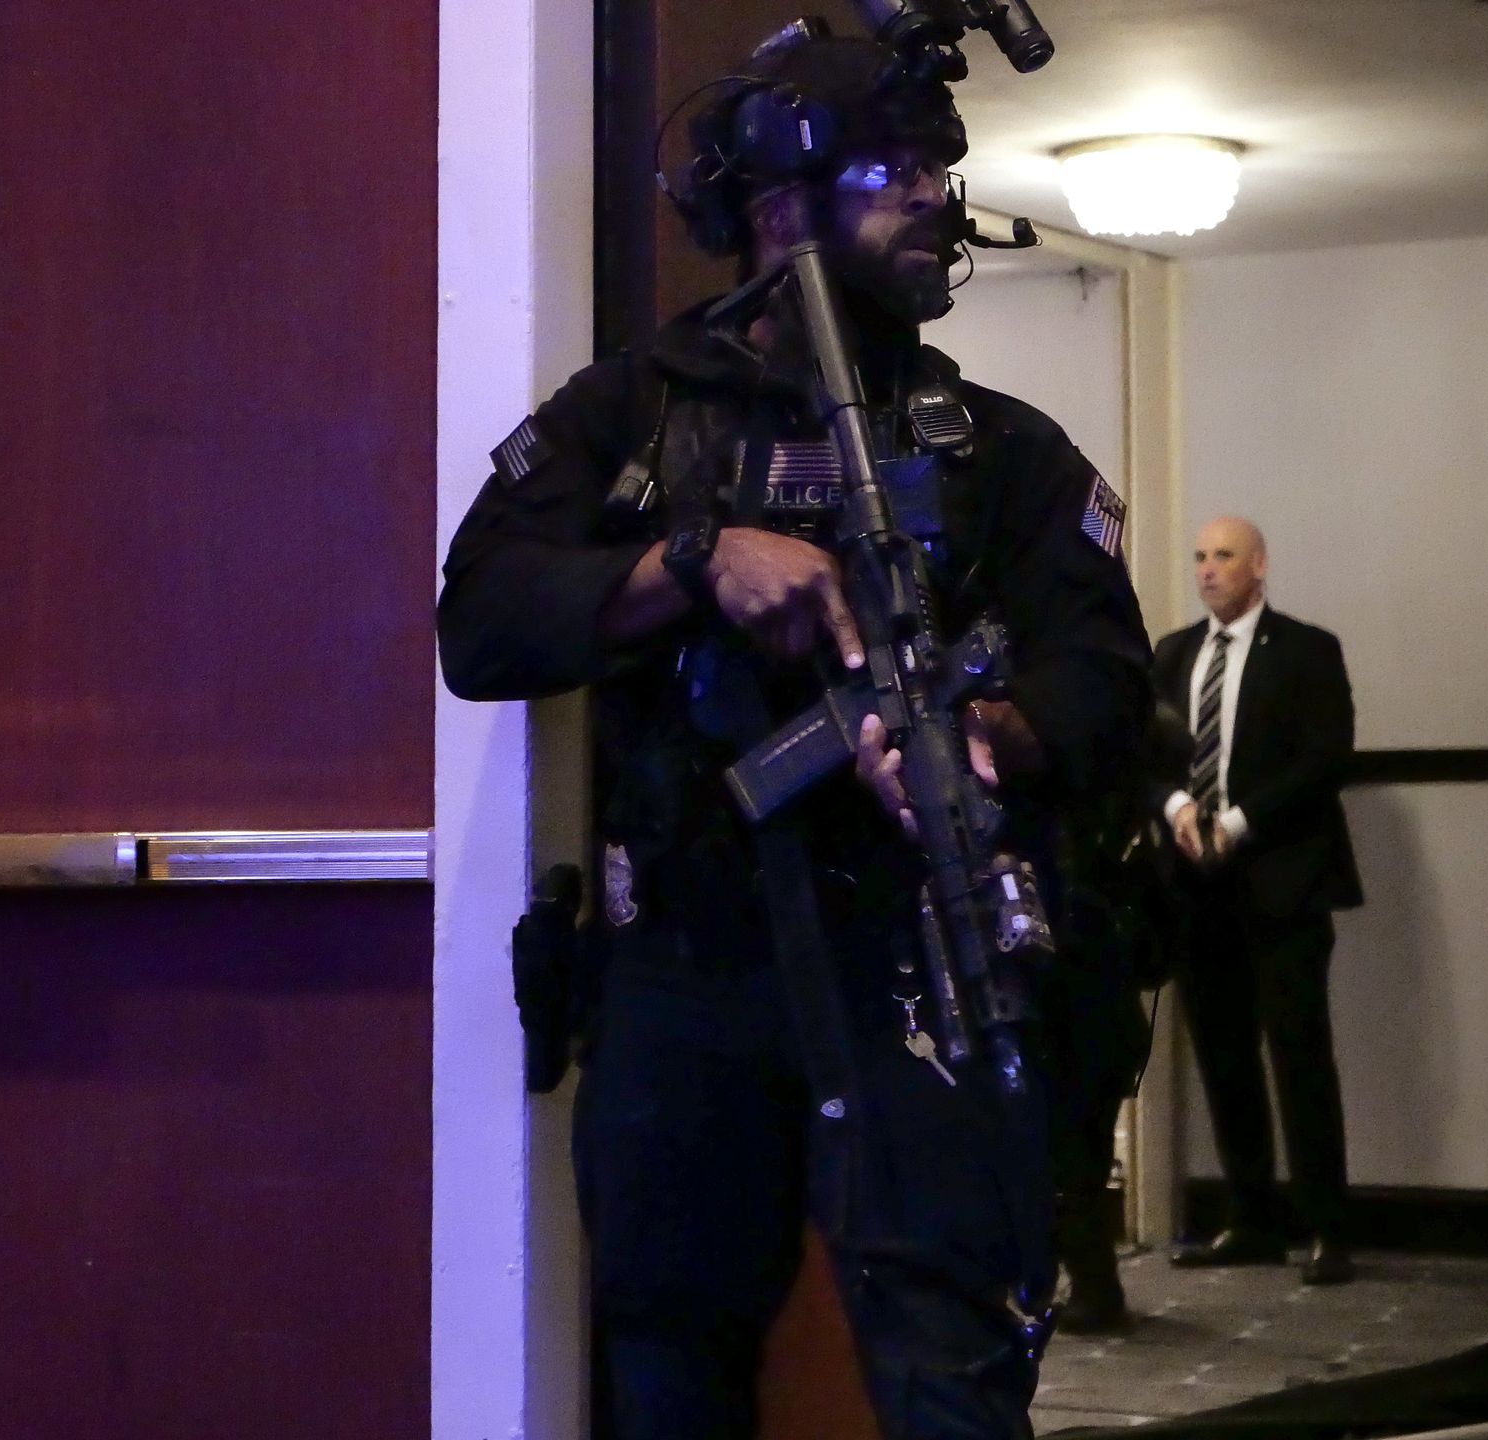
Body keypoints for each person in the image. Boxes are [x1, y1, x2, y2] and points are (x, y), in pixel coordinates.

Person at [438, 29, 1150, 1440]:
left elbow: (1108, 683)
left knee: (954, 1366)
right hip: (691, 973)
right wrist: (694, 561)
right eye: (896, 171)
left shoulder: (999, 449)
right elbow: (482, 622)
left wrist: (985, 737)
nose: (933, 202)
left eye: (944, 171)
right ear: (779, 209)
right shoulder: (629, 415)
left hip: (916, 962)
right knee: (667, 1364)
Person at [1151, 516, 1362, 1286]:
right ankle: (1251, 1217)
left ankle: (1327, 1228)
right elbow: (1142, 754)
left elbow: (1325, 757)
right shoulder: (1173, 655)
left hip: (1283, 880)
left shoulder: (1307, 650)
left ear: (1260, 565)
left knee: (1301, 1054)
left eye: (1224, 556)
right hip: (1196, 886)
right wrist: (1177, 808)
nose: (1208, 570)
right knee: (1223, 1054)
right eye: (1200, 557)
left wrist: (1237, 823)